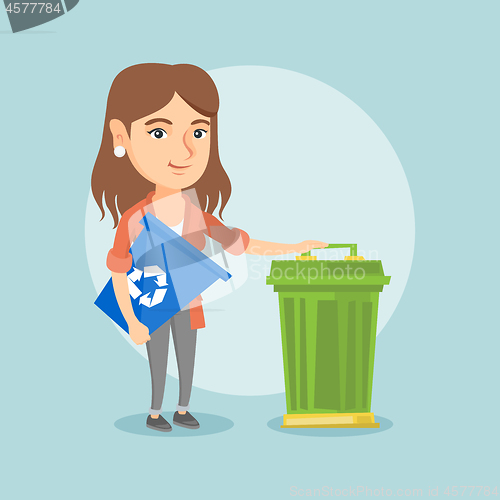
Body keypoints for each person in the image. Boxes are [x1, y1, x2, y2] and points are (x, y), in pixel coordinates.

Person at [91, 63, 327, 432]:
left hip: (189, 302)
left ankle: (182, 408)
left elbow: (241, 243)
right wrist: (134, 321)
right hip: (151, 306)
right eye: (158, 132)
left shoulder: (197, 214)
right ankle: (155, 412)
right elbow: (118, 272)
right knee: (157, 358)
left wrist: (294, 248)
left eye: (198, 131)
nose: (185, 150)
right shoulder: (134, 220)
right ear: (121, 137)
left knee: (187, 356)